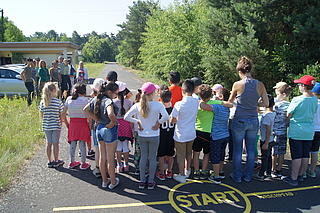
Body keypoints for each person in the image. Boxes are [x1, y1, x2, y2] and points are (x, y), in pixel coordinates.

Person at [229, 56, 268, 183]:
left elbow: (230, 102)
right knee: (251, 150)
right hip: (253, 119)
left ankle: (237, 176)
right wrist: (255, 104)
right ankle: (248, 176)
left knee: (238, 150)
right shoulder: (260, 84)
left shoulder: (237, 84)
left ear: (240, 71)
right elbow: (266, 103)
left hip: (240, 118)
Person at [124, 82, 169, 190]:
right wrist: (158, 122)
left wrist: (137, 122)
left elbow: (126, 117)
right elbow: (166, 116)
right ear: (153, 93)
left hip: (142, 135)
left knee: (144, 157)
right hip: (154, 135)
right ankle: (150, 181)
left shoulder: (137, 105)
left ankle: (142, 180)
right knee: (152, 158)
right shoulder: (158, 105)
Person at [282, 75, 318, 186]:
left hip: (297, 129)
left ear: (303, 86)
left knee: (296, 156)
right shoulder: (314, 100)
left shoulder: (297, 99)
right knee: (305, 154)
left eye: (299, 85)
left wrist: (286, 122)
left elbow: (289, 113)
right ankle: (301, 174)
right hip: (309, 130)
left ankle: (293, 177)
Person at [193, 84, 231, 180]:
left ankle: (196, 171)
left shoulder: (197, 104)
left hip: (197, 130)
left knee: (196, 153)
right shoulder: (215, 103)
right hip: (208, 132)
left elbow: (201, 105)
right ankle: (204, 171)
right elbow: (229, 104)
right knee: (207, 153)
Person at [170, 79, 199, 183]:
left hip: (180, 134)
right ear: (193, 90)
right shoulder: (196, 101)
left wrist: (176, 119)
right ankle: (188, 170)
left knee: (180, 156)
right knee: (188, 153)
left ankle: (182, 175)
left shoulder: (179, 104)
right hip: (191, 133)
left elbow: (172, 120)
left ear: (182, 90)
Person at [92, 82, 120, 189]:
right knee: (110, 158)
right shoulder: (108, 101)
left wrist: (96, 119)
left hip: (99, 129)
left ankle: (104, 181)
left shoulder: (97, 99)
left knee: (102, 157)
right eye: (115, 94)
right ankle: (113, 181)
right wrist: (113, 122)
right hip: (108, 129)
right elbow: (111, 114)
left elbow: (85, 109)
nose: (116, 96)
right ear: (109, 92)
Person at [62, 82, 91, 171]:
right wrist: (90, 126)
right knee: (82, 143)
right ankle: (83, 163)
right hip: (83, 124)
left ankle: (72, 161)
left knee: (73, 143)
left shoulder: (69, 99)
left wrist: (66, 123)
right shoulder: (86, 101)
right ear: (84, 91)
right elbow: (89, 116)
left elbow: (63, 113)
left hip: (73, 123)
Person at [38, 82, 65, 168]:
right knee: (56, 143)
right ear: (53, 91)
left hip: (46, 125)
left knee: (48, 143)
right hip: (56, 125)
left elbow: (42, 115)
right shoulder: (58, 102)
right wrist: (61, 122)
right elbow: (61, 114)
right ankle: (56, 160)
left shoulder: (43, 102)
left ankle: (50, 160)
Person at [83, 78, 106, 178]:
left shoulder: (93, 100)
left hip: (96, 126)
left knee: (97, 148)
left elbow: (85, 110)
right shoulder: (107, 100)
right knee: (107, 150)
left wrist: (94, 117)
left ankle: (98, 168)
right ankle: (106, 169)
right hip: (107, 126)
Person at [253, 94, 276, 181]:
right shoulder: (272, 113)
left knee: (264, 157)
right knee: (268, 157)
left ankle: (261, 174)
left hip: (266, 139)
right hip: (271, 139)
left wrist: (265, 142)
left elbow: (268, 130)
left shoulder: (266, 116)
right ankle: (268, 172)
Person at [271, 82, 292, 178]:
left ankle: (273, 169)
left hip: (275, 131)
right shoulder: (290, 105)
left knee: (274, 152)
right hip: (283, 130)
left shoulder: (275, 104)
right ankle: (279, 169)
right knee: (281, 152)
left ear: (283, 94)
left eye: (278, 93)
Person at [114, 81, 133, 172]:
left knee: (118, 147)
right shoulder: (128, 102)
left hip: (117, 125)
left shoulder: (113, 102)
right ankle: (126, 163)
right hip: (126, 124)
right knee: (125, 146)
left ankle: (119, 164)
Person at [156, 89, 175, 181]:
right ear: (171, 98)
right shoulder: (173, 110)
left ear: (160, 99)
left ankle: (162, 172)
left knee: (161, 155)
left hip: (161, 136)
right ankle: (170, 171)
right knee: (171, 154)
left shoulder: (159, 111)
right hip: (171, 135)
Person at [307, 83, 320, 178]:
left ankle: (303, 170)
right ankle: (312, 170)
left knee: (306, 151)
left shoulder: (312, 102)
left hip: (310, 128)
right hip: (319, 129)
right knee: (315, 151)